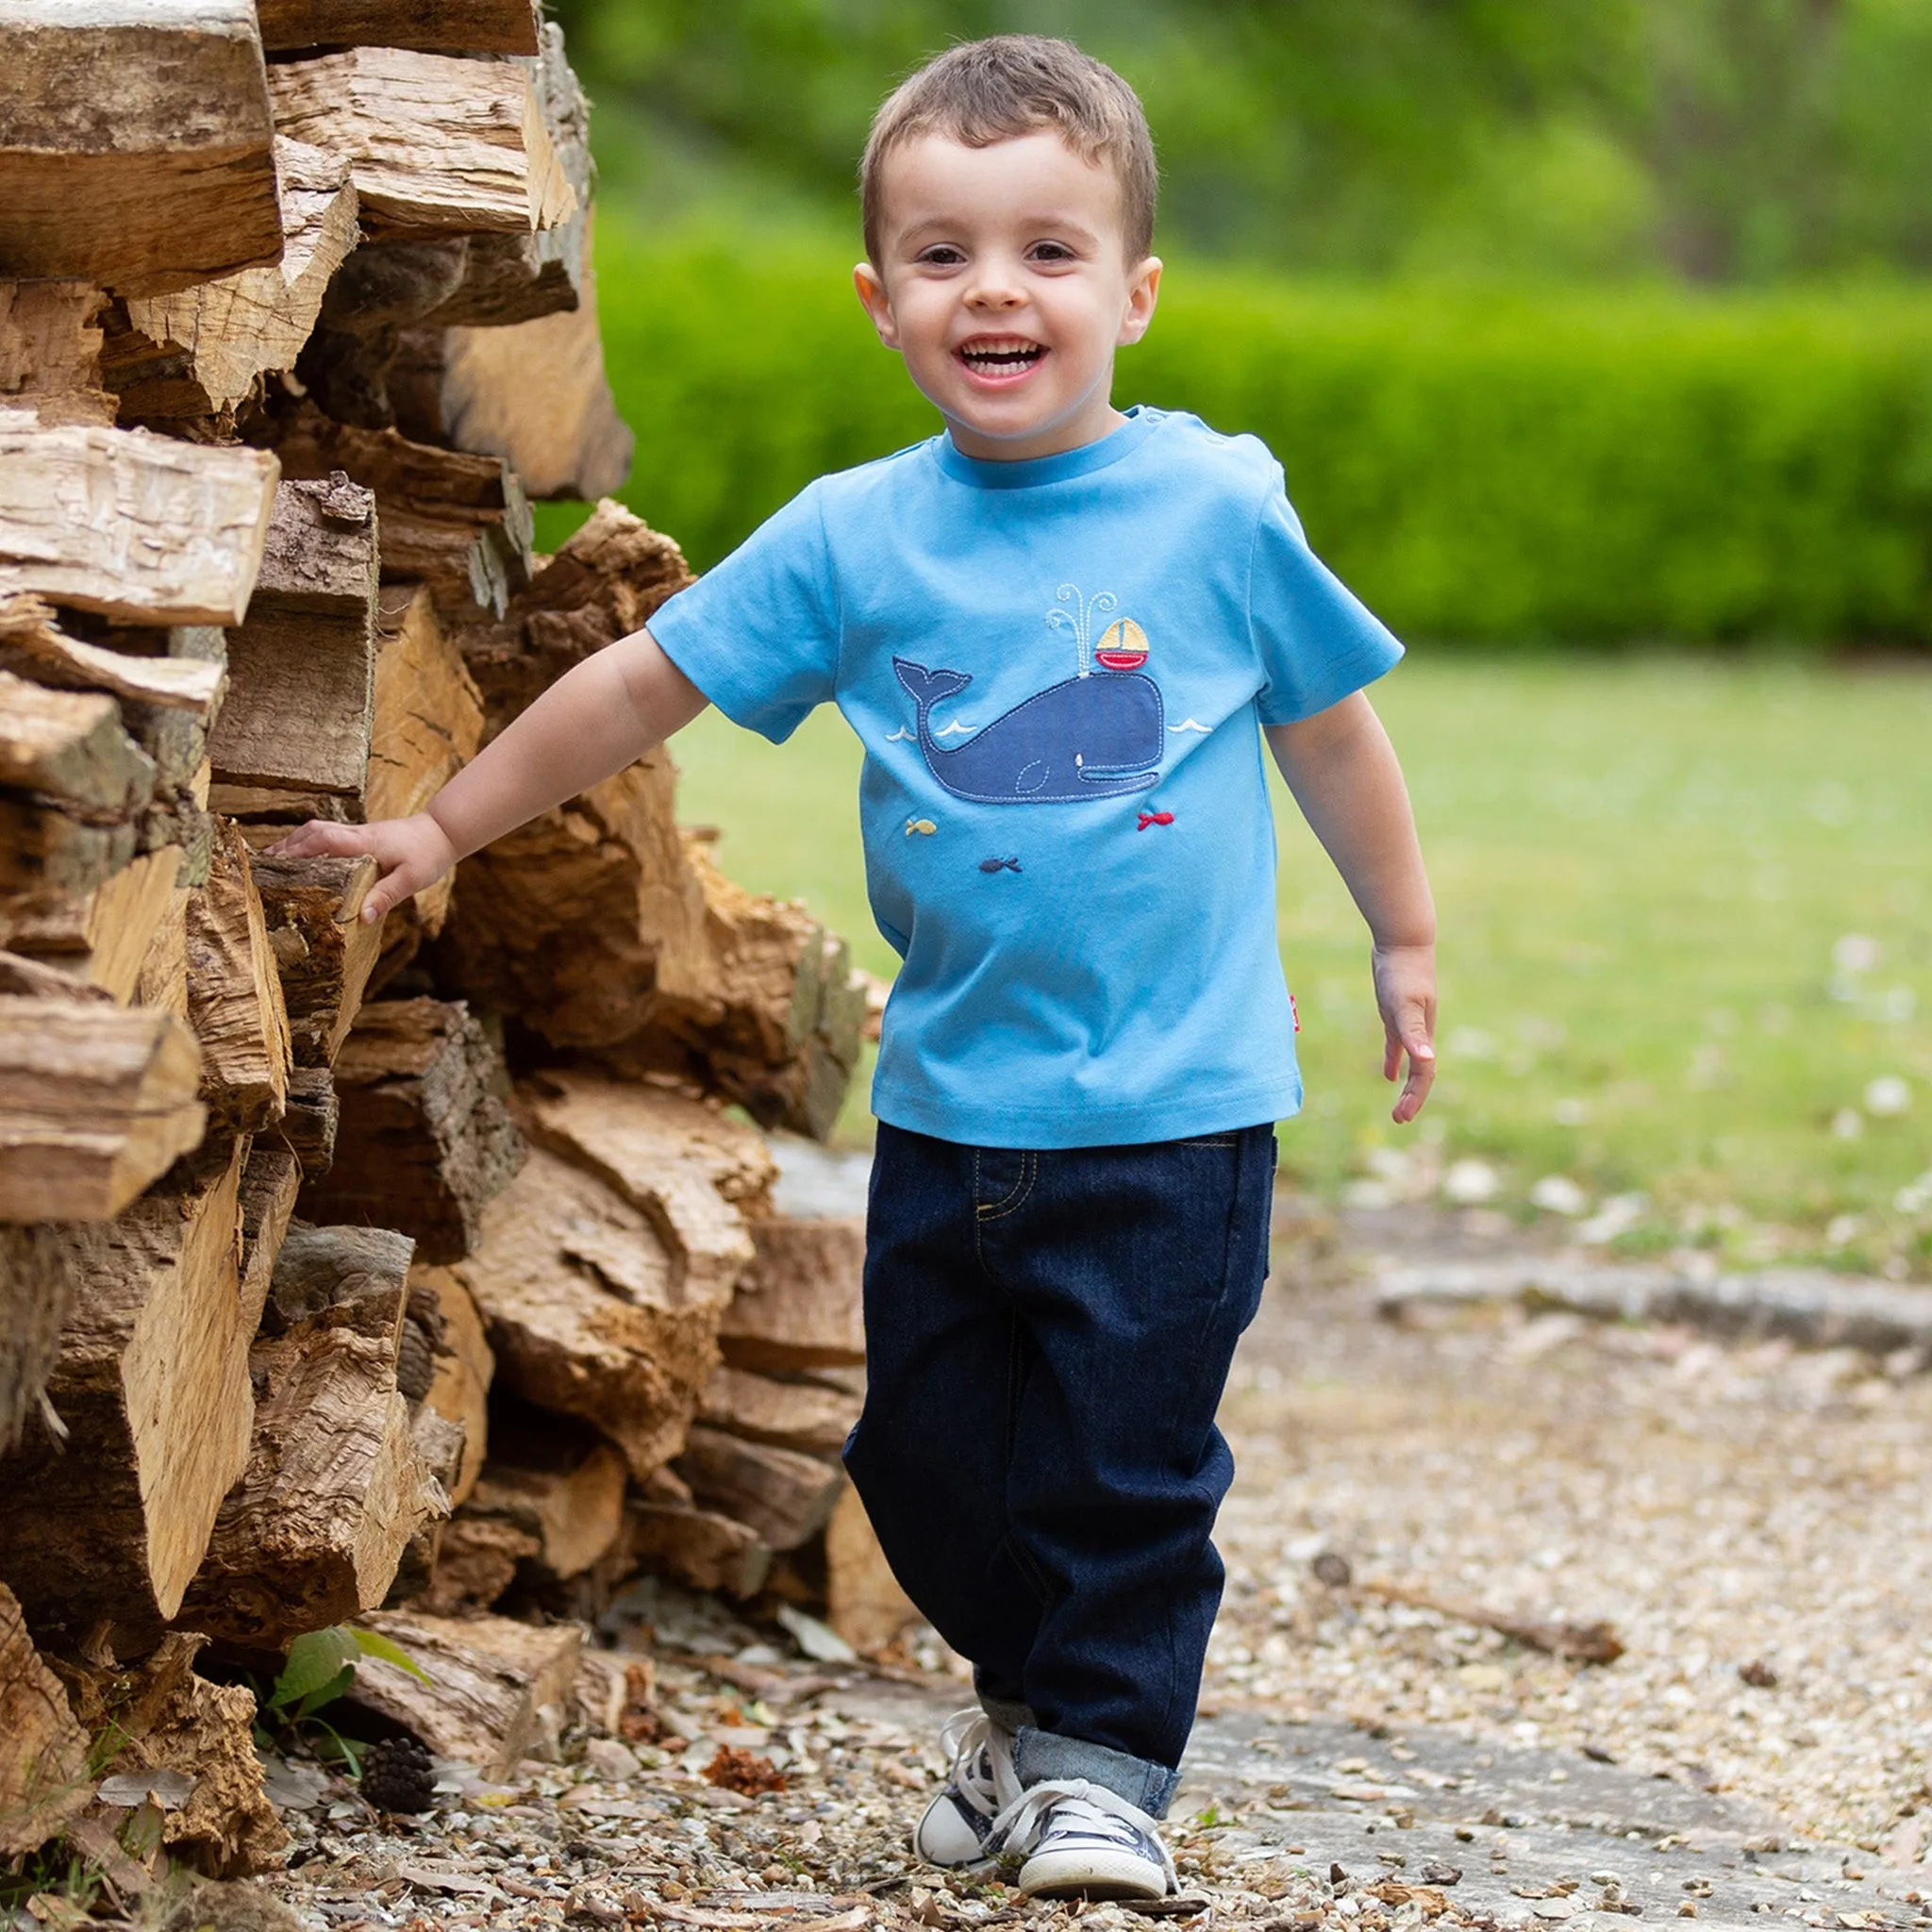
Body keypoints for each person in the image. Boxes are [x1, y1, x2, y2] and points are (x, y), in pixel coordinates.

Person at [269, 33, 1437, 1904]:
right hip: (954, 1107)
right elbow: (643, 681)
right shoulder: (856, 535)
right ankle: (1026, 1716)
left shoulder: (1212, 516)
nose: (998, 288)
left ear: (1132, 290)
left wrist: (1404, 932)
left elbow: (1330, 729)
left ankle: (1106, 1769)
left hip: (1177, 1108)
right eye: (946, 250)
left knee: (1126, 1465)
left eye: (1049, 251)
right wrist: (445, 825)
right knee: (926, 1462)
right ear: (881, 297)